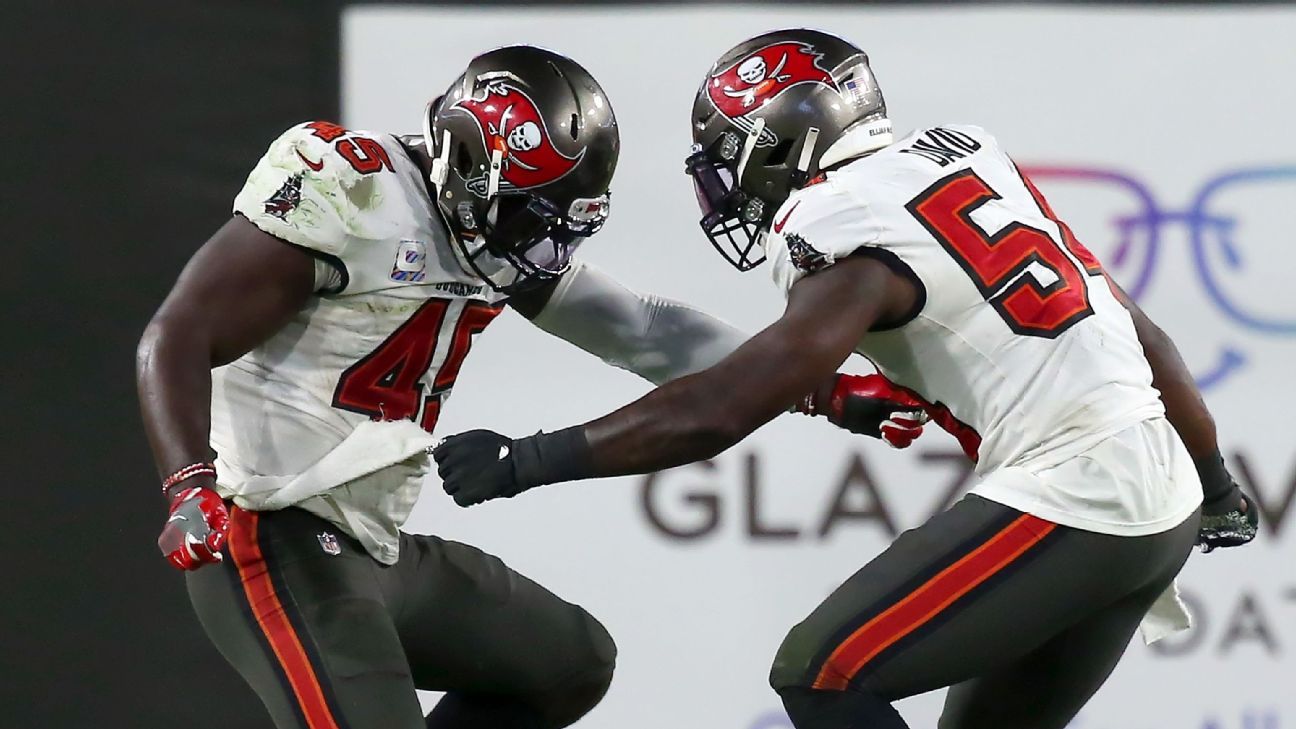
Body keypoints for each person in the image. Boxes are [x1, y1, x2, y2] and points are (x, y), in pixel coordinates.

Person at [432, 29, 1260, 729]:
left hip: (1081, 493)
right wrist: (1217, 484)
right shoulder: (966, 159)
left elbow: (722, 408)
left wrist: (530, 458)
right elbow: (1140, 332)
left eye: (732, 155)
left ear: (786, 138)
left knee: (820, 670)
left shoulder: (844, 223)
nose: (726, 182)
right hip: (1159, 500)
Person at [137, 44, 926, 729]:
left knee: (566, 659)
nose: (541, 244)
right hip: (270, 531)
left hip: (370, 543)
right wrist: (186, 483)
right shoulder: (353, 191)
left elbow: (644, 330)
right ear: (463, 167)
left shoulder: (491, 226)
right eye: (527, 217)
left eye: (558, 221)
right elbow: (177, 334)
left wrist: (823, 387)